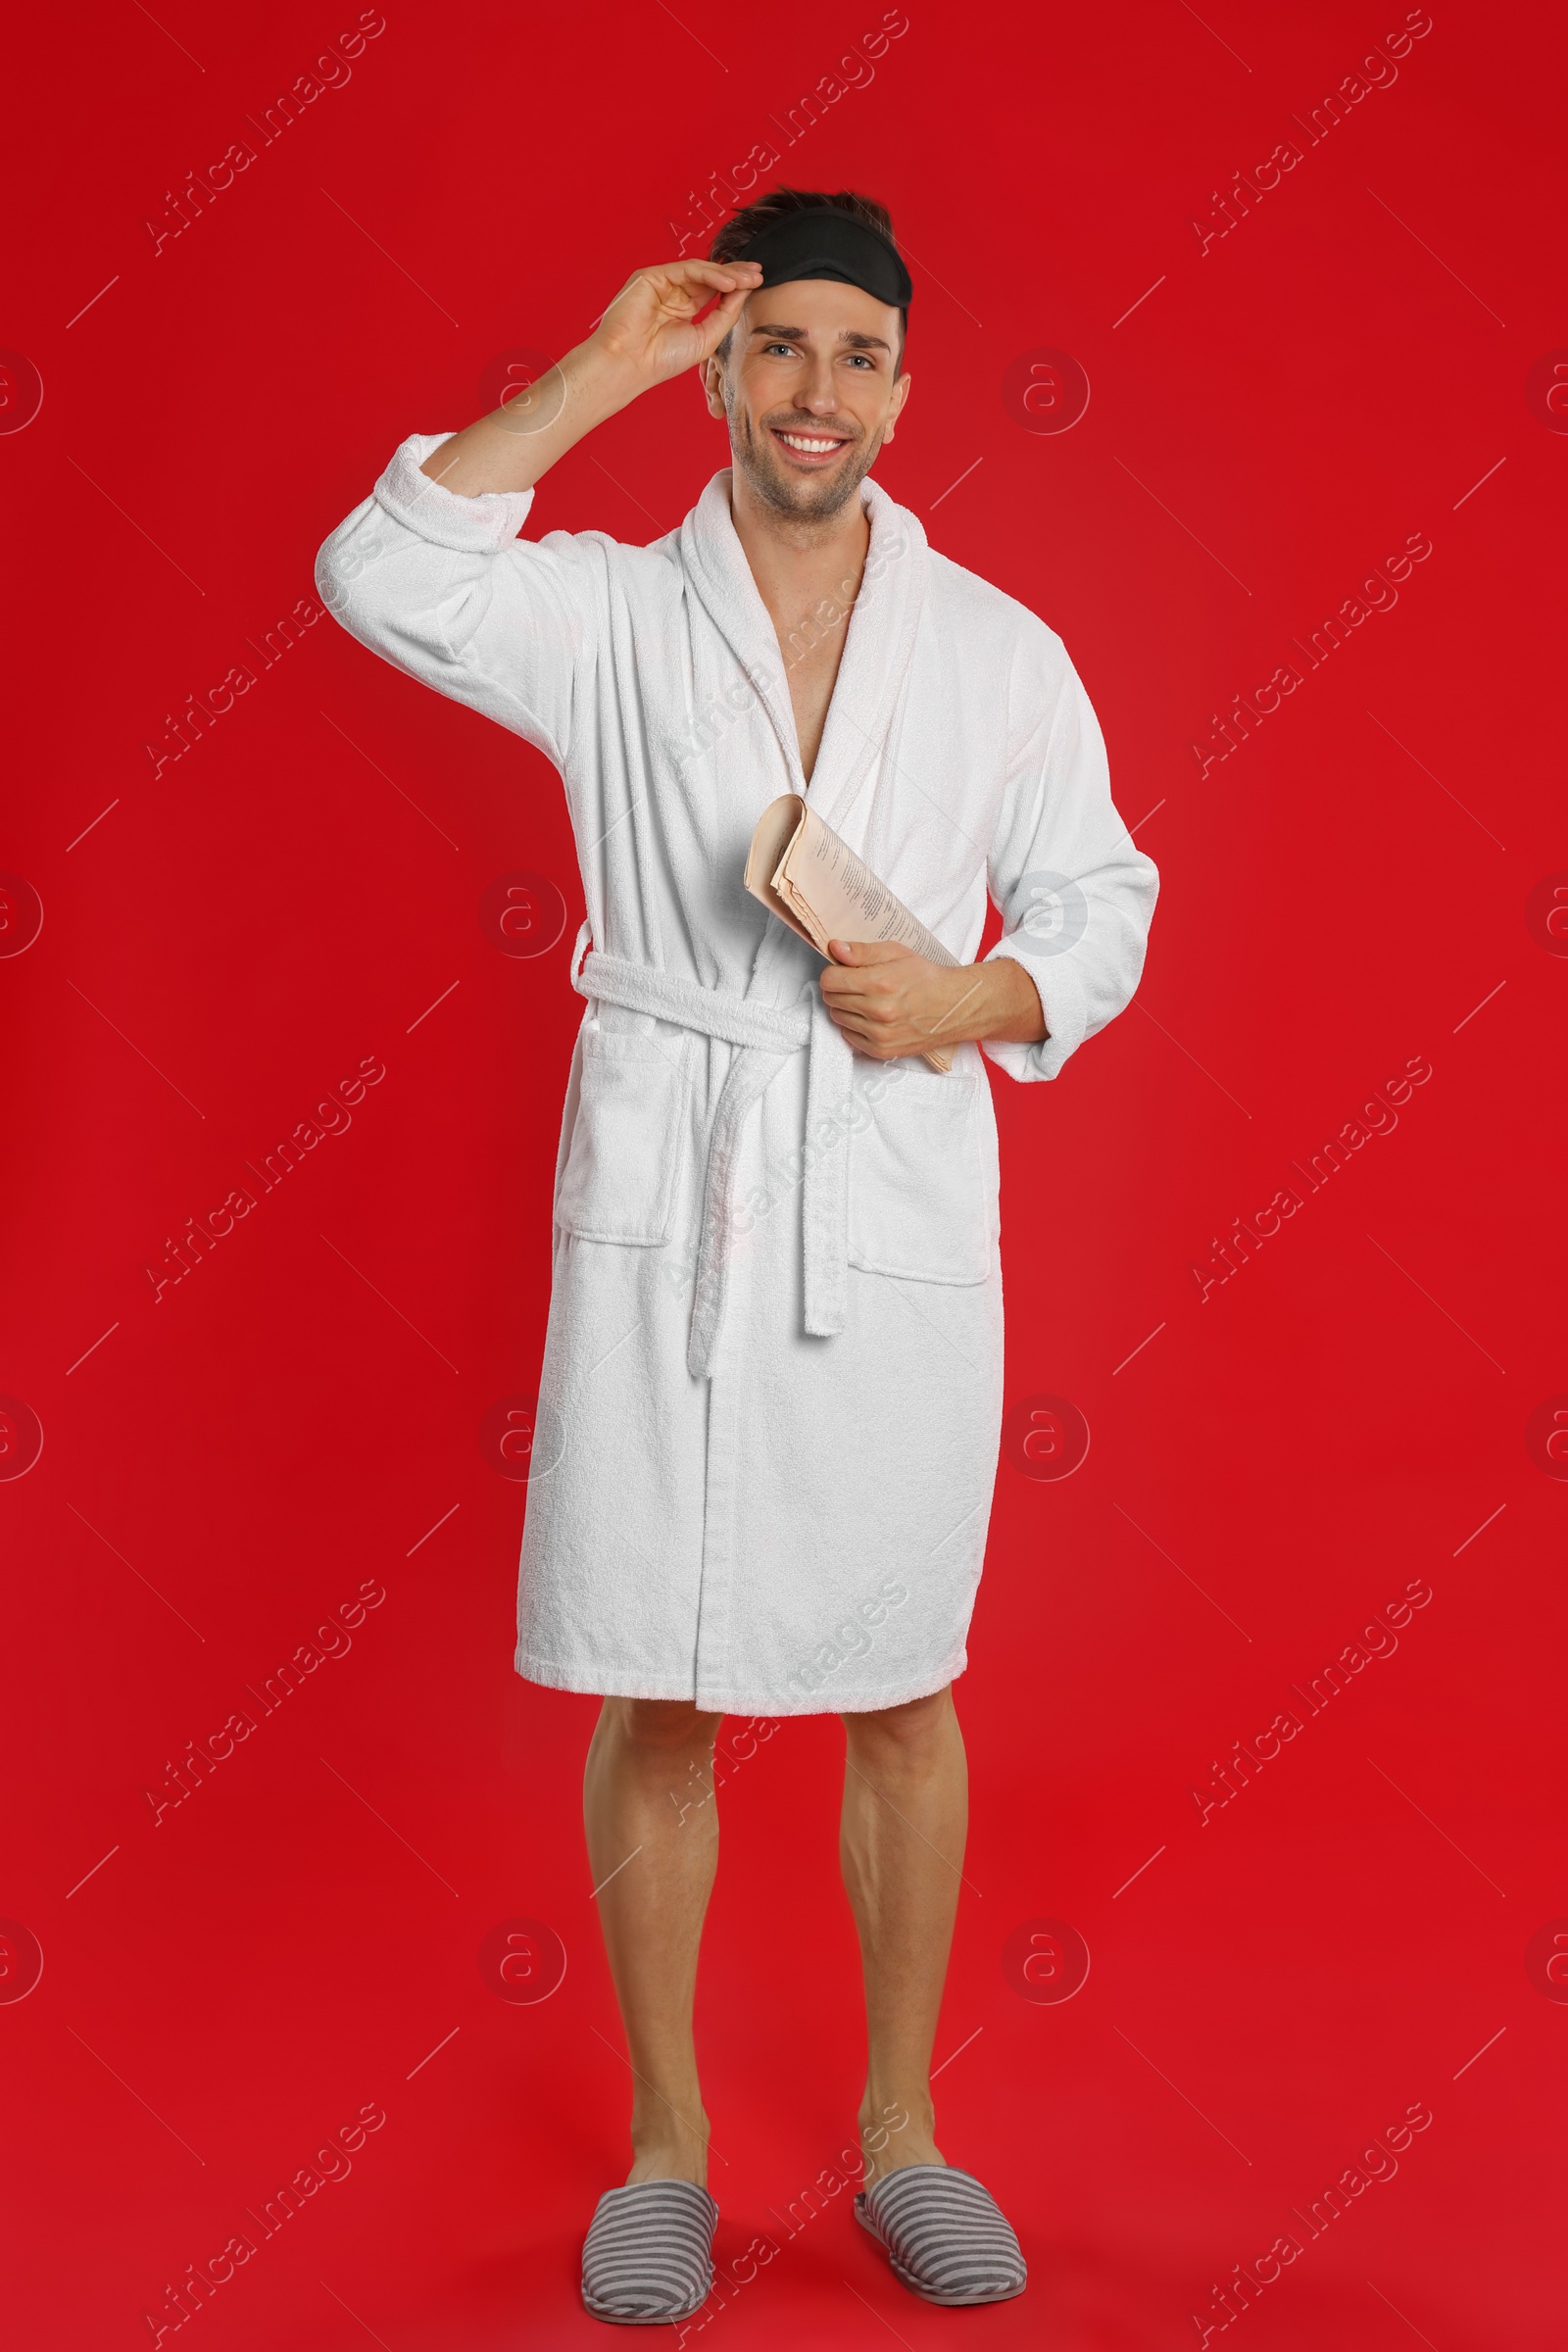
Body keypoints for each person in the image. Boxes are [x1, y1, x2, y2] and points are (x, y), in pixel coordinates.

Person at [317, 185, 1157, 2323]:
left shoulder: (994, 652)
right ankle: (667, 2147)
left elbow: (1102, 898)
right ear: (714, 363)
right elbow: (376, 570)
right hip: (671, 1182)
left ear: (903, 386)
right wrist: (587, 365)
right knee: (663, 1682)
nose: (813, 389)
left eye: (854, 354)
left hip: (877, 1190)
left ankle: (899, 2130)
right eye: (771, 344)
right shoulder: (604, 613)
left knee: (899, 1674)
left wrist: (967, 1002)